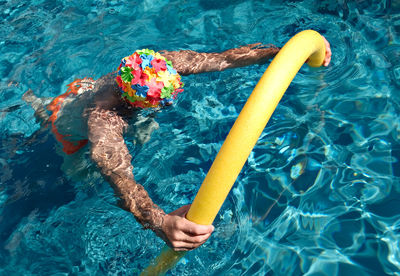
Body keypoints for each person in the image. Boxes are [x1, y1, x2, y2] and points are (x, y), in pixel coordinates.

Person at [23, 38, 332, 252]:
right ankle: (38, 110)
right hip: (70, 139)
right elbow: (120, 179)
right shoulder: (104, 124)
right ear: (134, 102)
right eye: (164, 100)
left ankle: (42, 105)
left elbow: (221, 59)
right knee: (85, 182)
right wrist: (159, 222)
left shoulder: (155, 65)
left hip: (84, 93)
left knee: (141, 127)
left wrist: (283, 53)